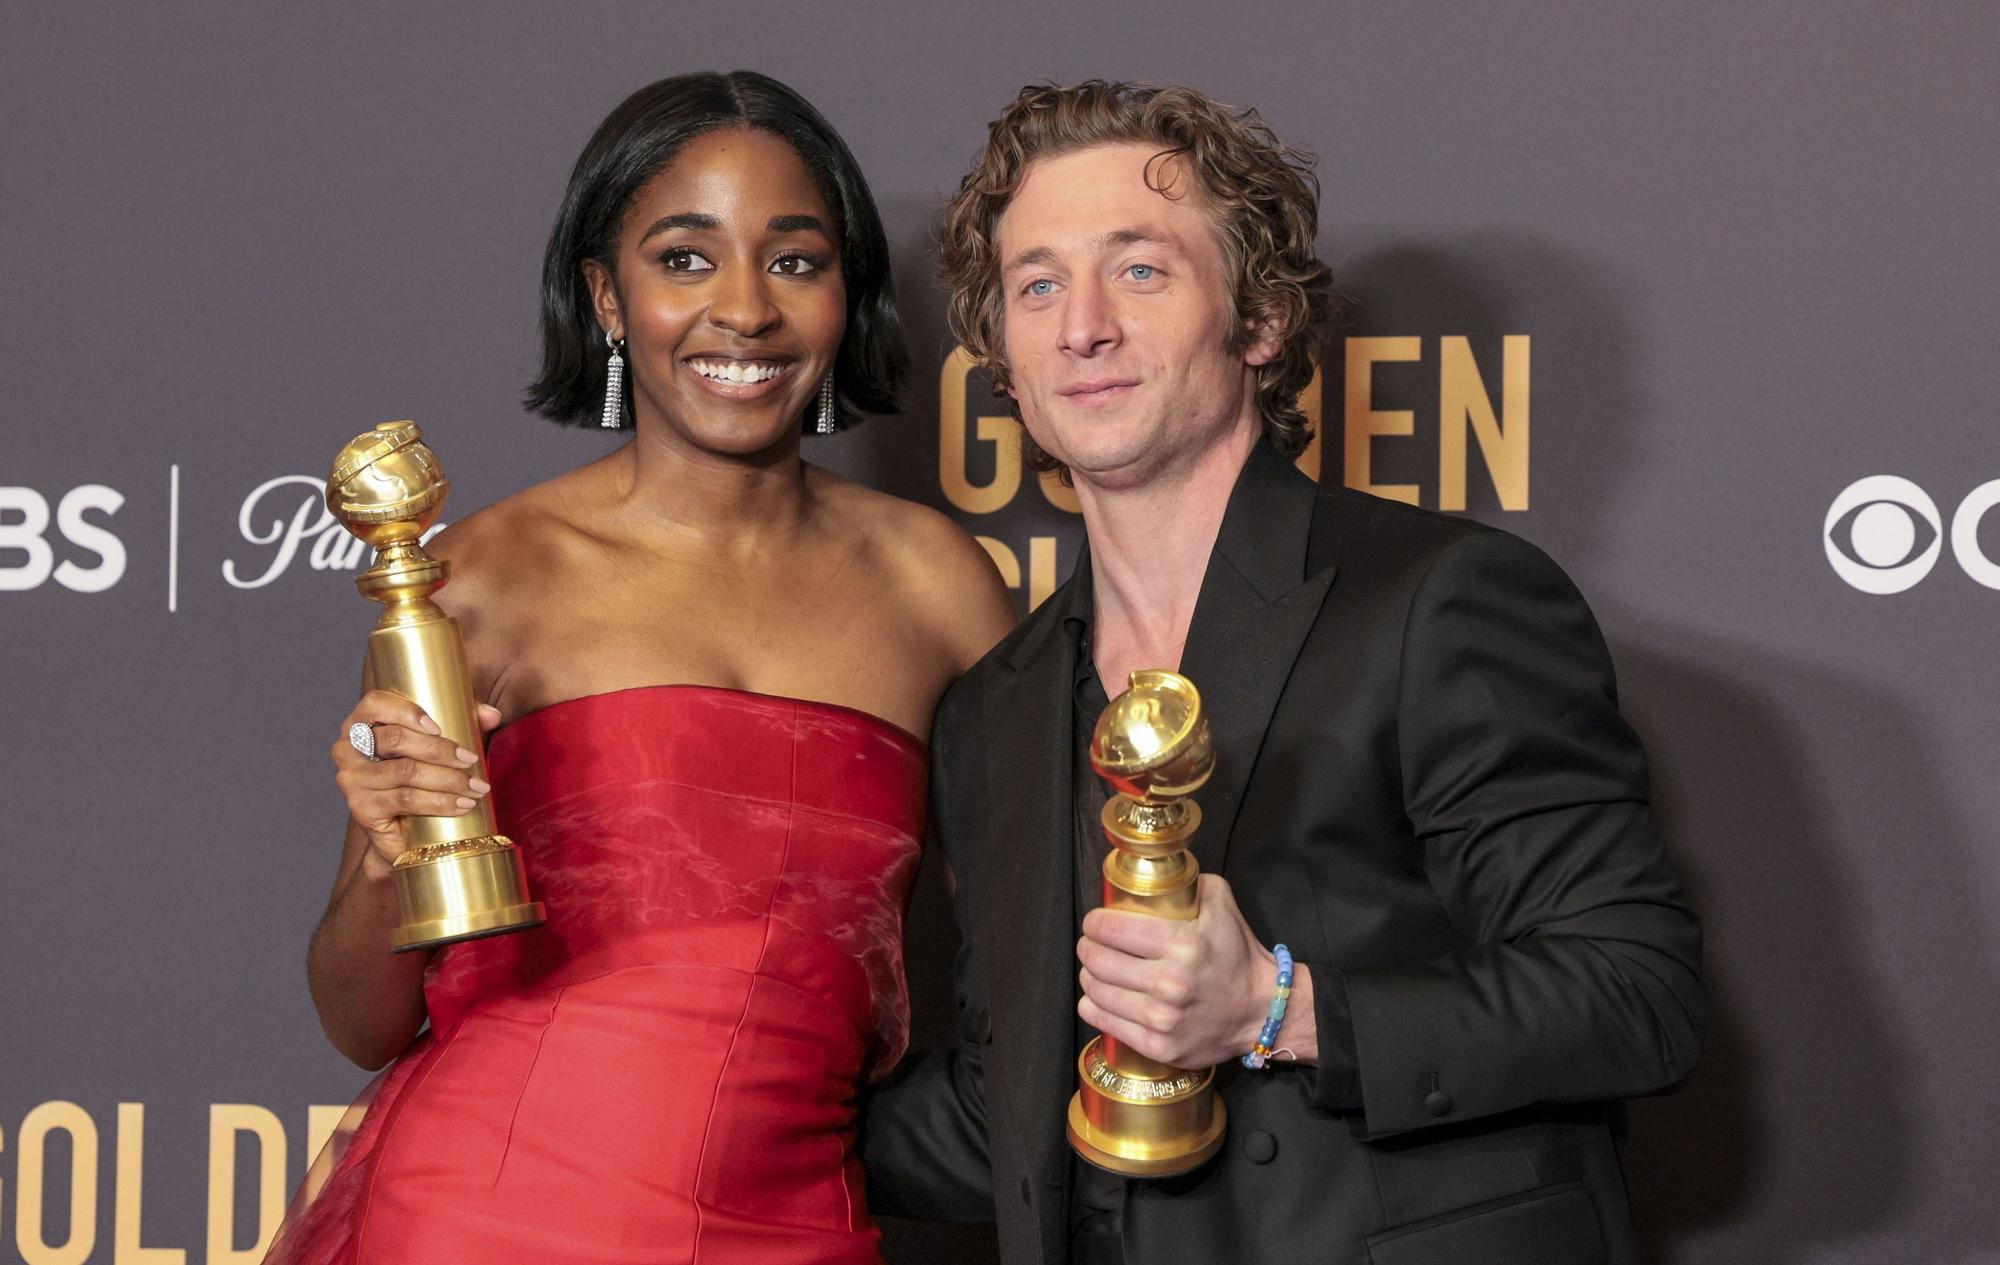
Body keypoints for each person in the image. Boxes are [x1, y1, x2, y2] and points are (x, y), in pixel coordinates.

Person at [861, 80, 1704, 1265]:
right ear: (1001, 355)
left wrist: (1277, 1009)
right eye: (1035, 283)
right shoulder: (993, 703)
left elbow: (1632, 995)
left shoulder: (1440, 600)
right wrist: (697, 1102)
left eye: (1139, 270)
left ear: (1256, 320)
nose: (1080, 325)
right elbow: (1011, 1097)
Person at [268, 71, 1014, 1265]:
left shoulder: (937, 584)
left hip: (797, 1213)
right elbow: (363, 1019)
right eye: (683, 258)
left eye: (793, 260)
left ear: (844, 294)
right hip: (490, 1210)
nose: (743, 310)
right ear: (606, 297)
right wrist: (382, 858)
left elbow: (1034, 944)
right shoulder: (482, 577)